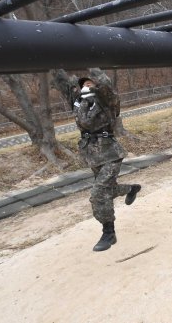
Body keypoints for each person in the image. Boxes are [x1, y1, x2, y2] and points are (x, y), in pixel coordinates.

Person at [54, 68, 141, 252]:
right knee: (108, 189)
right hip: (92, 155)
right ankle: (132, 189)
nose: (86, 85)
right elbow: (63, 83)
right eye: (83, 84)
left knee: (98, 193)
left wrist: (91, 66)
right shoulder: (78, 103)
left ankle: (108, 232)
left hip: (110, 153)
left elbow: (108, 88)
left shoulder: (107, 101)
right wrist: (55, 63)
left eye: (90, 83)